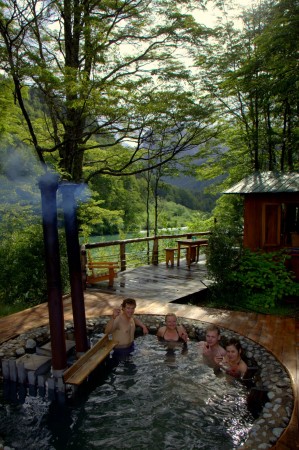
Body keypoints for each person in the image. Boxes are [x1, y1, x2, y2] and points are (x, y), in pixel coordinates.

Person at [105, 298, 148, 362]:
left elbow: (135, 320)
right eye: (128, 308)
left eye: (132, 308)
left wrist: (143, 326)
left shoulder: (131, 317)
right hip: (120, 351)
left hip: (132, 346)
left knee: (147, 355)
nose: (130, 311)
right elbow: (107, 332)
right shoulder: (118, 320)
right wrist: (113, 318)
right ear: (123, 308)